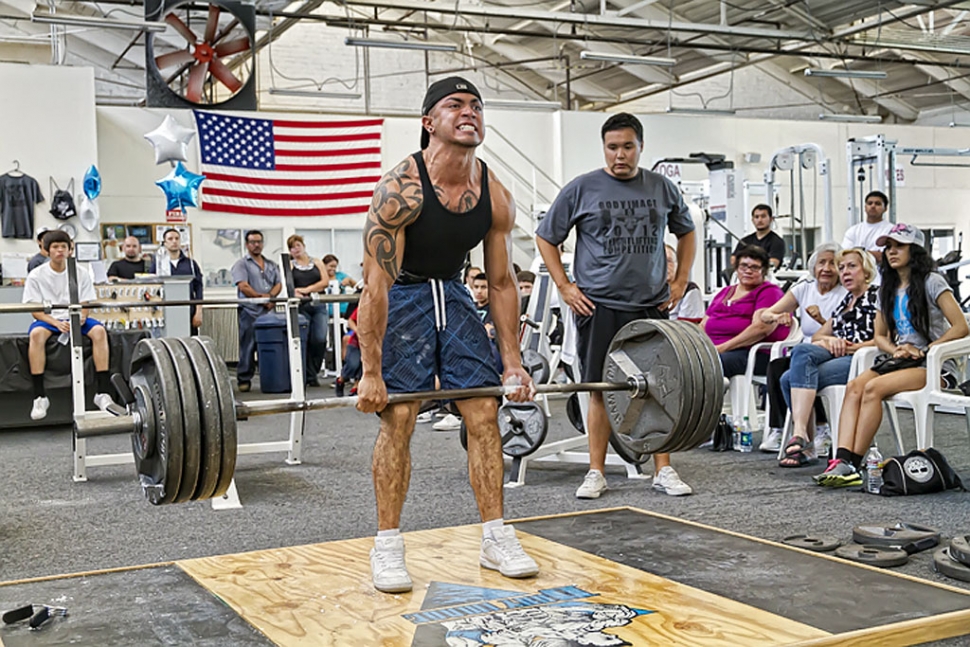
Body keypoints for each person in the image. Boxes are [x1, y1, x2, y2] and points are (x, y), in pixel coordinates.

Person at [356, 76, 538, 594]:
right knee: (400, 416)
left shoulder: (494, 194)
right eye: (454, 105)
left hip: (455, 295)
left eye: (477, 105)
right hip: (403, 296)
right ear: (428, 121)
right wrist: (371, 372)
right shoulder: (399, 190)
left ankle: (495, 536)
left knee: (483, 411)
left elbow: (501, 283)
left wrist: (513, 362)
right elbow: (375, 288)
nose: (469, 113)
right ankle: (387, 545)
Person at [536, 112, 697, 500]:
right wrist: (565, 286)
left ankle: (663, 468)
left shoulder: (661, 187)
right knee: (599, 388)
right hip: (598, 304)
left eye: (627, 147)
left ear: (641, 147)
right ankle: (596, 471)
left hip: (650, 303)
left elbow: (687, 231)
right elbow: (546, 238)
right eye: (612, 147)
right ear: (603, 148)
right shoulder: (582, 188)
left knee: (661, 387)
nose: (619, 155)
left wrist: (679, 280)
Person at [815, 224, 969, 487]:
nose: (891, 252)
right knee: (854, 386)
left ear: (915, 250)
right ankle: (840, 460)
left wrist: (926, 349)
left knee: (873, 389)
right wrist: (896, 349)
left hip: (934, 365)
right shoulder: (887, 285)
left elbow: (961, 326)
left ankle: (854, 462)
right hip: (901, 360)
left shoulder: (932, 281)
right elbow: (881, 337)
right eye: (888, 247)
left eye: (899, 246)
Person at [777, 248, 878, 467]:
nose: (845, 272)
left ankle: (804, 440)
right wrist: (830, 341)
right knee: (794, 365)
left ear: (866, 270)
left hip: (863, 359)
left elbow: (883, 340)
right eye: (842, 268)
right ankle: (804, 437)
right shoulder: (846, 301)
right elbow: (819, 336)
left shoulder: (876, 297)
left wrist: (851, 347)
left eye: (852, 266)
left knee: (791, 375)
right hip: (838, 354)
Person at [756, 243, 847, 452]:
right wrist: (778, 317)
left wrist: (821, 319)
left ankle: (820, 429)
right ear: (813, 267)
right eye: (821, 262)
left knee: (803, 369)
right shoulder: (805, 287)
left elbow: (844, 329)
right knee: (777, 367)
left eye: (833, 264)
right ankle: (779, 429)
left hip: (834, 350)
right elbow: (766, 314)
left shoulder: (845, 292)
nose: (826, 268)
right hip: (806, 349)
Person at [22, 230, 116, 420]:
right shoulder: (36, 275)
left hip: (75, 317)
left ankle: (103, 393)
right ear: (47, 250)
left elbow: (87, 302)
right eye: (55, 247)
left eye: (63, 247)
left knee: (99, 331)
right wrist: (55, 322)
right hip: (48, 319)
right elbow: (35, 309)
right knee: (36, 335)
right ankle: (40, 396)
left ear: (69, 249)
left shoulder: (80, 273)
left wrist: (81, 317)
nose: (59, 251)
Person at [702, 245, 790, 379]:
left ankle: (706, 399)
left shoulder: (769, 292)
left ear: (764, 271)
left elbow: (760, 328)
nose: (748, 271)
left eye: (754, 267)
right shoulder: (725, 292)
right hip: (717, 351)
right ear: (736, 269)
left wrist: (721, 348)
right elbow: (703, 325)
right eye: (743, 266)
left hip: (755, 353)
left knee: (710, 364)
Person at [231, 230, 281, 392]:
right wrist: (262, 298)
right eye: (252, 242)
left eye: (259, 241)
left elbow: (279, 284)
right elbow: (243, 286)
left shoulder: (272, 264)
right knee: (248, 346)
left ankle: (272, 377)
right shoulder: (241, 264)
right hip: (249, 312)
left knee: (270, 346)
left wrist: (271, 297)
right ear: (247, 245)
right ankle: (244, 379)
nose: (256, 245)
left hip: (269, 313)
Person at [288, 235, 330, 387]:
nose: (296, 249)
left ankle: (315, 370)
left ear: (303, 245)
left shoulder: (317, 262)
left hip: (318, 304)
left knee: (319, 339)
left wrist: (307, 289)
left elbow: (324, 282)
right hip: (301, 306)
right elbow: (288, 284)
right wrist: (296, 292)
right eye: (292, 247)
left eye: (298, 245)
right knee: (304, 341)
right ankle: (309, 376)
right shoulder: (291, 265)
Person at [156, 228, 203, 335]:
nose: (174, 241)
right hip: (166, 312)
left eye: (177, 238)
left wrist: (198, 312)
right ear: (165, 242)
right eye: (170, 239)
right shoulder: (159, 265)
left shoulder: (190, 264)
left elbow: (199, 288)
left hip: (188, 312)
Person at [842, 191, 893, 267]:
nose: (873, 206)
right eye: (870, 203)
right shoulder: (853, 231)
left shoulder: (891, 230)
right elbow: (844, 255)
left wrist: (858, 252)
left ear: (885, 208)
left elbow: (884, 257)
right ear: (865, 207)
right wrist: (871, 254)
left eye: (877, 204)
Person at [731, 204, 785, 270]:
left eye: (763, 216)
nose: (759, 220)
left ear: (771, 219)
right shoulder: (745, 241)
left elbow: (773, 264)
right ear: (752, 220)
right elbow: (734, 260)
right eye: (756, 217)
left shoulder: (777, 241)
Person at [664, 245, 704, 322]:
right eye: (659, 262)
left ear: (677, 265)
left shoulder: (689, 289)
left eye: (669, 261)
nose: (664, 265)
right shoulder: (647, 290)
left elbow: (688, 328)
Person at [334, 307, 360, 397]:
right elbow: (350, 321)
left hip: (371, 343)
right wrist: (357, 331)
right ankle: (341, 380)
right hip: (356, 343)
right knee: (353, 365)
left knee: (366, 365)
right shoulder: (365, 306)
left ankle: (356, 387)